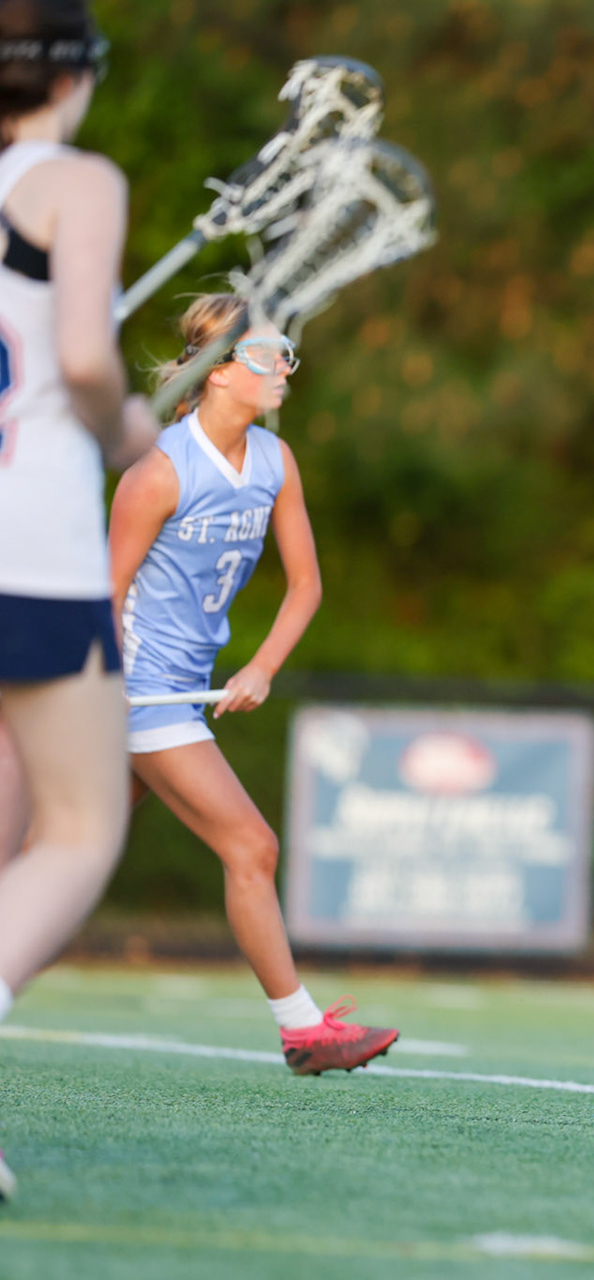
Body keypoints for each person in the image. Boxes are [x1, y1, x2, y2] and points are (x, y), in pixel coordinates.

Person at [108, 292, 398, 1077]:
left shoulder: (275, 460)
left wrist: (261, 666)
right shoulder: (159, 473)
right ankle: (304, 1031)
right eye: (268, 357)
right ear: (217, 371)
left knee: (67, 850)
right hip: (137, 691)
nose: (284, 371)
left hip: (185, 687)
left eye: (286, 355)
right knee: (252, 844)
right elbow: (102, 597)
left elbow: (305, 586)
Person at [0, 0, 159, 1202]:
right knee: (78, 830)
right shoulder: (76, 179)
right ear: (71, 74)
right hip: (33, 546)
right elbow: (91, 361)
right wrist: (128, 427)